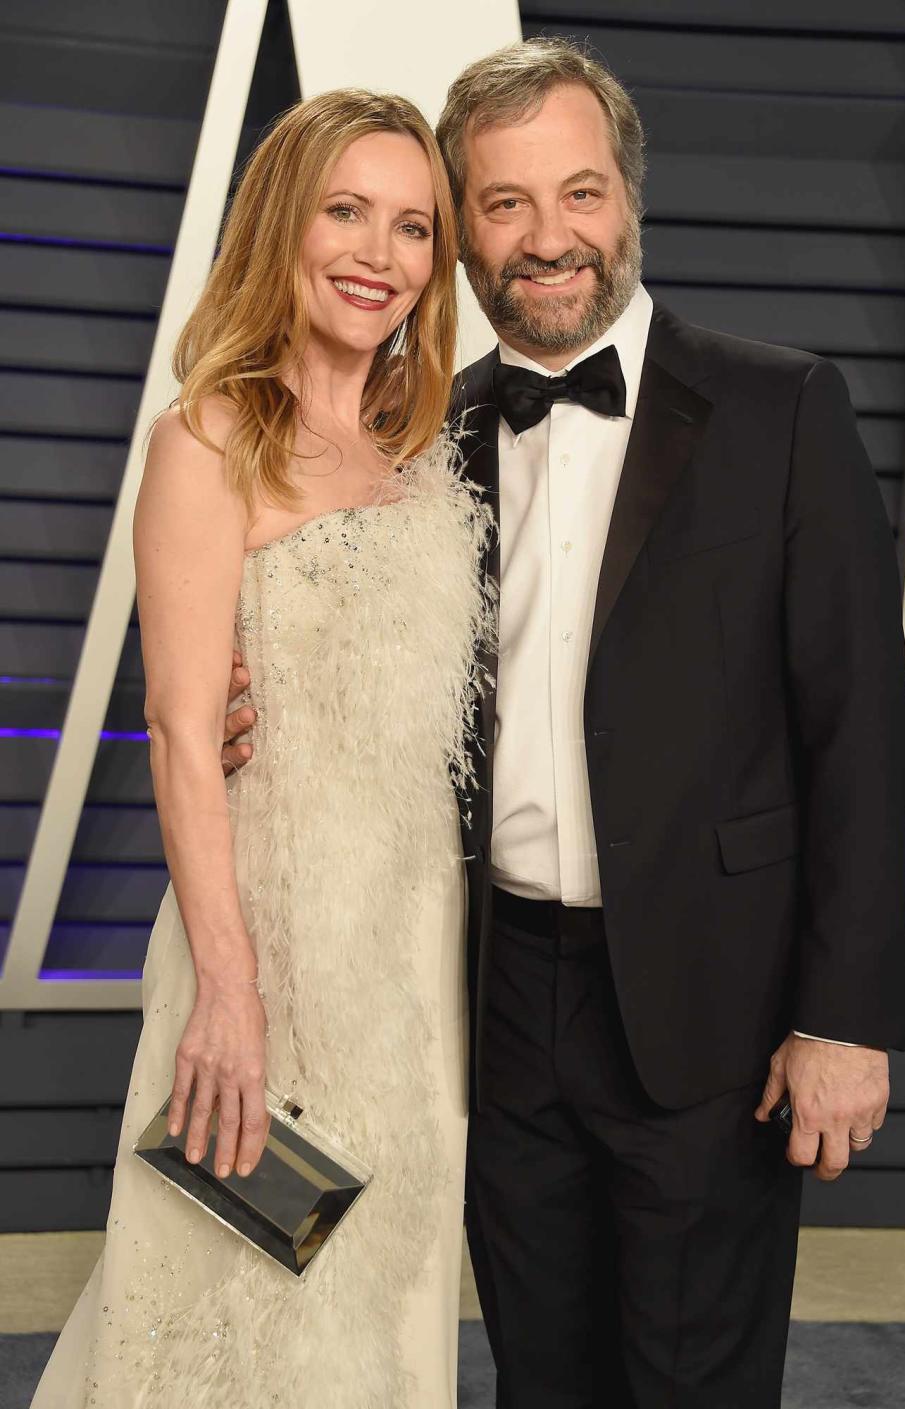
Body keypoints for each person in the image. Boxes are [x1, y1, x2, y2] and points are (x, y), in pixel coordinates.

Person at [434, 39, 905, 1408]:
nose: (549, 240)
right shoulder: (439, 433)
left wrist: (844, 1014)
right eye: (506, 203)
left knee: (694, 1383)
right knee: (543, 1375)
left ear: (631, 200)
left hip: (717, 1010)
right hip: (499, 1000)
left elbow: (859, 729)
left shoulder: (783, 406)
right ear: (465, 230)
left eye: (579, 193)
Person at [30, 89, 492, 1409]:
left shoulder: (420, 456)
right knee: (236, 1306)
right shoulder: (207, 439)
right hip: (265, 958)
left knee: (375, 1305)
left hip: (407, 972)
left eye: (412, 226)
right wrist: (229, 992)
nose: (379, 252)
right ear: (284, 222)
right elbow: (182, 734)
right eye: (346, 210)